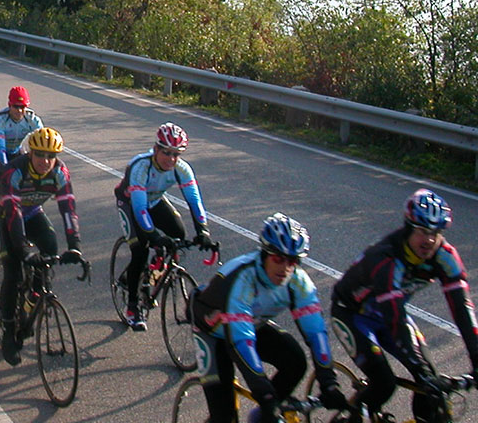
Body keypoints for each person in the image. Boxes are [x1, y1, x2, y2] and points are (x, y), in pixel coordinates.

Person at [331, 189, 478, 423]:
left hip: (390, 314)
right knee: (384, 382)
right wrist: (420, 370)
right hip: (352, 314)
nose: (429, 240)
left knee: (432, 387)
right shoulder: (387, 258)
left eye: (435, 233)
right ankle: (347, 418)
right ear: (409, 228)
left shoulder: (445, 256)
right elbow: (395, 320)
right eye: (422, 231)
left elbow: (462, 309)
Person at [191, 214, 350, 423]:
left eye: (292, 261)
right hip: (212, 332)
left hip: (250, 324)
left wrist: (329, 381)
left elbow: (316, 331)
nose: (285, 267)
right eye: (278, 258)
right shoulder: (243, 278)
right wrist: (265, 394)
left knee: (295, 360)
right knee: (224, 416)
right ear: (265, 254)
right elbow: (240, 341)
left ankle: (260, 419)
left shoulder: (298, 281)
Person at [0, 127, 83, 366]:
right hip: (6, 216)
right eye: (40, 155)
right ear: (30, 153)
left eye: (51, 156)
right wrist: (23, 250)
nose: (45, 161)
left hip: (32, 212)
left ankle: (31, 301)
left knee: (50, 251)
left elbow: (68, 209)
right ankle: (9, 331)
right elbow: (13, 213)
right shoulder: (14, 171)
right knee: (12, 270)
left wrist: (74, 245)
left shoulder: (60, 172)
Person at [113, 122, 216, 330]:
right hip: (131, 204)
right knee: (140, 250)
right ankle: (132, 306)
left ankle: (155, 269)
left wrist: (203, 231)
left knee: (178, 234)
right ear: (156, 149)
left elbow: (195, 202)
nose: (171, 159)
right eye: (166, 153)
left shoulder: (182, 169)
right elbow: (140, 209)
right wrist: (153, 236)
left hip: (155, 201)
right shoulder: (141, 166)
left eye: (176, 154)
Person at [0, 86, 44, 178]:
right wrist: (5, 168)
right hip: (0, 152)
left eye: (22, 107)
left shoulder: (32, 119)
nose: (19, 110)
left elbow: (42, 142)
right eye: (15, 106)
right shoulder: (0, 120)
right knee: (5, 179)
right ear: (9, 105)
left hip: (17, 150)